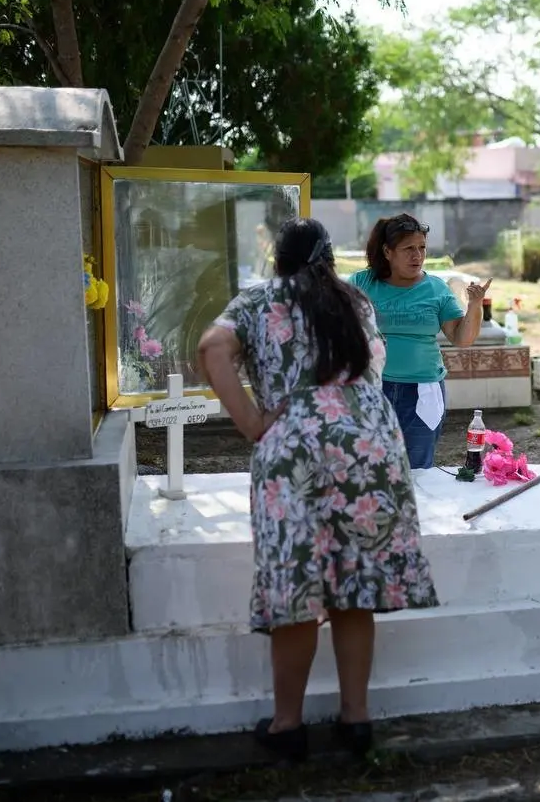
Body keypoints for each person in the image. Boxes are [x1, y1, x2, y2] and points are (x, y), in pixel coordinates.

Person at [196, 217, 439, 760]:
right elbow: (375, 368)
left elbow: (212, 349)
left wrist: (254, 423)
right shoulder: (356, 302)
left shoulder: (258, 300)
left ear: (278, 261)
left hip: (295, 450)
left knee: (297, 588)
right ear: (329, 259)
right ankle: (356, 721)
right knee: (356, 588)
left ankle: (288, 726)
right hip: (370, 445)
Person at [349, 213, 491, 469]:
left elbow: (462, 338)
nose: (417, 255)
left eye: (422, 247)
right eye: (408, 249)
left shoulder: (436, 288)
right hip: (372, 389)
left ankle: (417, 511)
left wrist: (475, 305)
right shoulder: (362, 283)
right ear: (387, 251)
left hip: (422, 392)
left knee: (417, 468)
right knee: (371, 467)